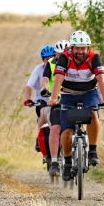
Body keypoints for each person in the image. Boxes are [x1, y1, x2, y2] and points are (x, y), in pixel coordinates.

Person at [48, 31, 104, 181]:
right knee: (66, 130)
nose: (80, 52)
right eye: (77, 48)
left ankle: (92, 151)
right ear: (71, 48)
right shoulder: (65, 57)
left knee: (93, 113)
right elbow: (58, 79)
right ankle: (68, 163)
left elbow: (101, 80)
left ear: (88, 48)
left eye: (83, 48)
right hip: (68, 94)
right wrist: (53, 98)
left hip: (89, 92)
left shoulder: (94, 57)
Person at [40, 40, 70, 176]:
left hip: (72, 99)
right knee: (55, 128)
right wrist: (45, 89)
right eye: (59, 55)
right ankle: (54, 162)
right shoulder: (51, 63)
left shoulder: (74, 63)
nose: (61, 57)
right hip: (56, 101)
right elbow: (45, 79)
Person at [23, 45, 56, 152]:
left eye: (52, 58)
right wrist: (27, 99)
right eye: (47, 59)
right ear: (43, 60)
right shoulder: (38, 69)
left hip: (56, 99)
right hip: (42, 100)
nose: (49, 61)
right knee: (43, 113)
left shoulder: (59, 68)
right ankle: (39, 138)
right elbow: (29, 86)